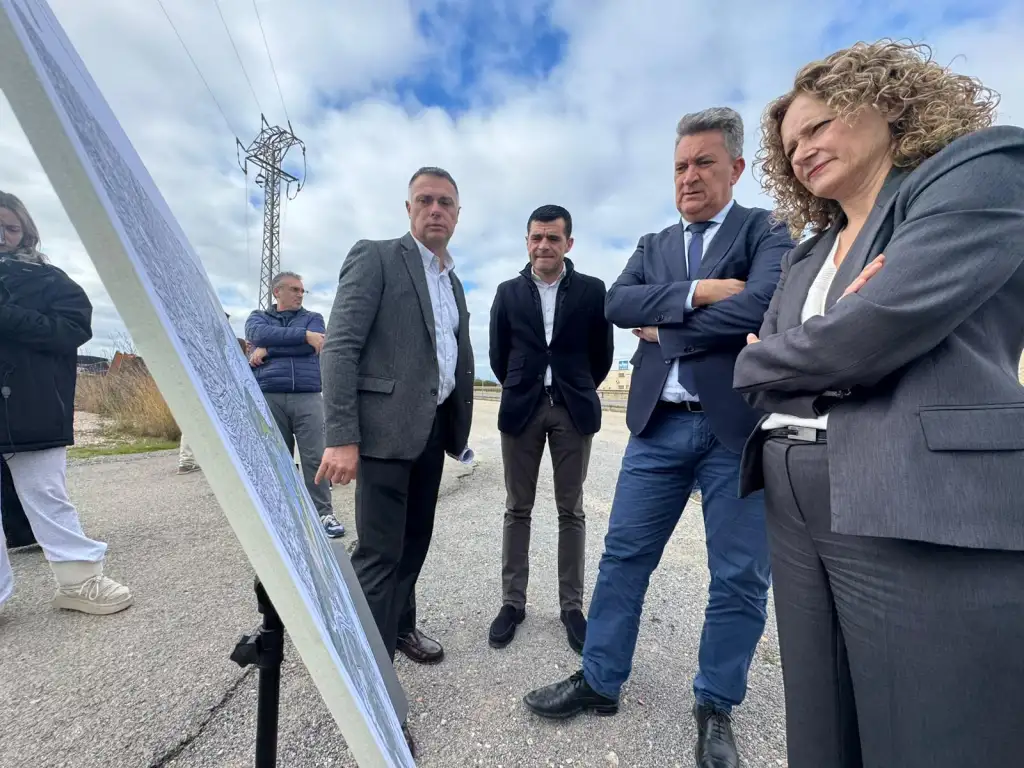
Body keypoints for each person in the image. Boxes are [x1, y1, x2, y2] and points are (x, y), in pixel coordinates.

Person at [732, 40, 1024, 768]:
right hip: (790, 487)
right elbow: (772, 362)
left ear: (886, 103)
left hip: (914, 490)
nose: (803, 149)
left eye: (819, 125)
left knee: (928, 727)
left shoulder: (978, 170)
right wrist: (812, 346)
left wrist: (803, 348)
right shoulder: (807, 253)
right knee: (819, 717)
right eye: (791, 144)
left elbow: (868, 334)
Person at [523, 108, 794, 768]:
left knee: (739, 577)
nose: (689, 177)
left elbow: (762, 304)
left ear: (736, 167)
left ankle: (716, 704)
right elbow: (618, 305)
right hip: (657, 429)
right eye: (679, 166)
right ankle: (600, 679)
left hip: (735, 429)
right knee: (623, 557)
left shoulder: (767, 230)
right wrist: (702, 292)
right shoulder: (652, 244)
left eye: (704, 163)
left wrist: (665, 326)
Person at [317, 166, 474, 668]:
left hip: (431, 430)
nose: (435, 209)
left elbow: (448, 355)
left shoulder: (452, 282)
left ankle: (401, 627)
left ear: (457, 214)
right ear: (408, 209)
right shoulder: (377, 257)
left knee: (413, 544)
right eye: (425, 200)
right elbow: (340, 348)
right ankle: (369, 675)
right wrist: (342, 436)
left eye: (445, 202)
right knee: (380, 555)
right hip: (383, 433)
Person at [487, 204, 614, 652]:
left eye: (553, 238)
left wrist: (574, 386)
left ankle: (571, 607)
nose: (544, 245)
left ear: (568, 243)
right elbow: (498, 355)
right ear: (527, 242)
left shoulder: (593, 290)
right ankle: (512, 603)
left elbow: (602, 356)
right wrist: (522, 385)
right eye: (536, 238)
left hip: (572, 410)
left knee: (571, 510)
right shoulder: (506, 292)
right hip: (521, 409)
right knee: (517, 508)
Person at [0, 190, 133, 615]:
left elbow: (73, 329)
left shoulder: (48, 279)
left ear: (26, 232)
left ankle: (79, 580)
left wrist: (7, 314)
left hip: (31, 402)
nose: (2, 236)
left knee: (46, 493)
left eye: (10, 227)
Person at [245, 273, 344, 538]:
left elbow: (314, 346)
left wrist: (268, 350)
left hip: (308, 395)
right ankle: (285, 517)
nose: (300, 294)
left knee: (315, 457)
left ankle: (323, 513)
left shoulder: (314, 318)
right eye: (294, 289)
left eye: (302, 290)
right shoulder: (258, 318)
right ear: (277, 292)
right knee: (278, 458)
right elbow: (257, 334)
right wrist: (303, 336)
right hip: (270, 395)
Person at [178, 314, 249, 475]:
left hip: (198, 385)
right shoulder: (223, 340)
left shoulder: (195, 337)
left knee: (193, 420)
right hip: (214, 387)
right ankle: (221, 460)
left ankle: (186, 462)